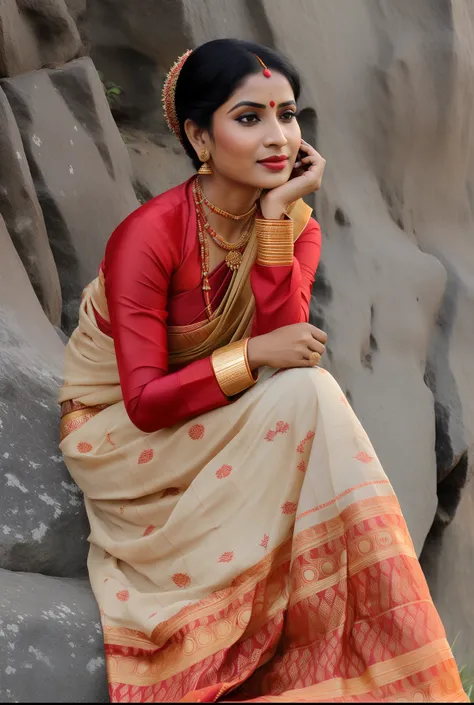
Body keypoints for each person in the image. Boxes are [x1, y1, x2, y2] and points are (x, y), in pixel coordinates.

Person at [58, 39, 467, 703]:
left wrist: (275, 217)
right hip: (123, 439)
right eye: (250, 118)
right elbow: (144, 402)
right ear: (198, 136)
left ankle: (377, 665)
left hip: (225, 414)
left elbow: (288, 346)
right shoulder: (150, 234)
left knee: (307, 389)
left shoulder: (294, 227)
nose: (279, 137)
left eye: (289, 115)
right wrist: (250, 356)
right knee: (307, 392)